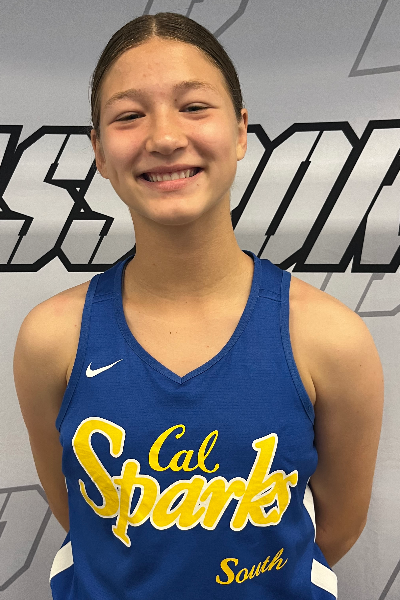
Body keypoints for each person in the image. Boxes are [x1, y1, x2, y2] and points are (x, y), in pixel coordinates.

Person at [13, 12, 384, 600]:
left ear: (240, 131)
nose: (164, 138)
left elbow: (335, 528)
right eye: (129, 115)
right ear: (99, 152)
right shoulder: (52, 338)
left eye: (193, 107)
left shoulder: (330, 337)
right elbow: (80, 513)